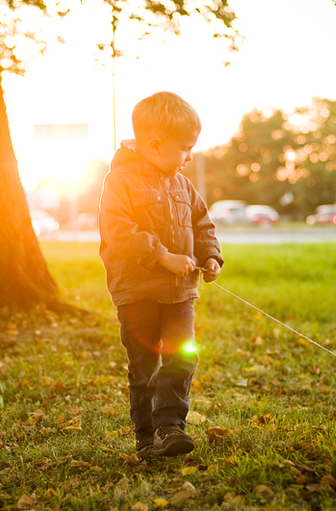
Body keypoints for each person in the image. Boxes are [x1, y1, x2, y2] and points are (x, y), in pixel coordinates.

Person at [98, 91, 223, 458]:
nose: (190, 156)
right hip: (136, 292)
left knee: (183, 355)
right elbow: (118, 232)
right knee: (145, 366)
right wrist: (163, 256)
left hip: (180, 293)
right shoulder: (119, 181)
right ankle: (145, 436)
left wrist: (210, 257)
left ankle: (170, 425)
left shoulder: (184, 186)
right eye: (185, 148)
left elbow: (203, 225)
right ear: (154, 145)